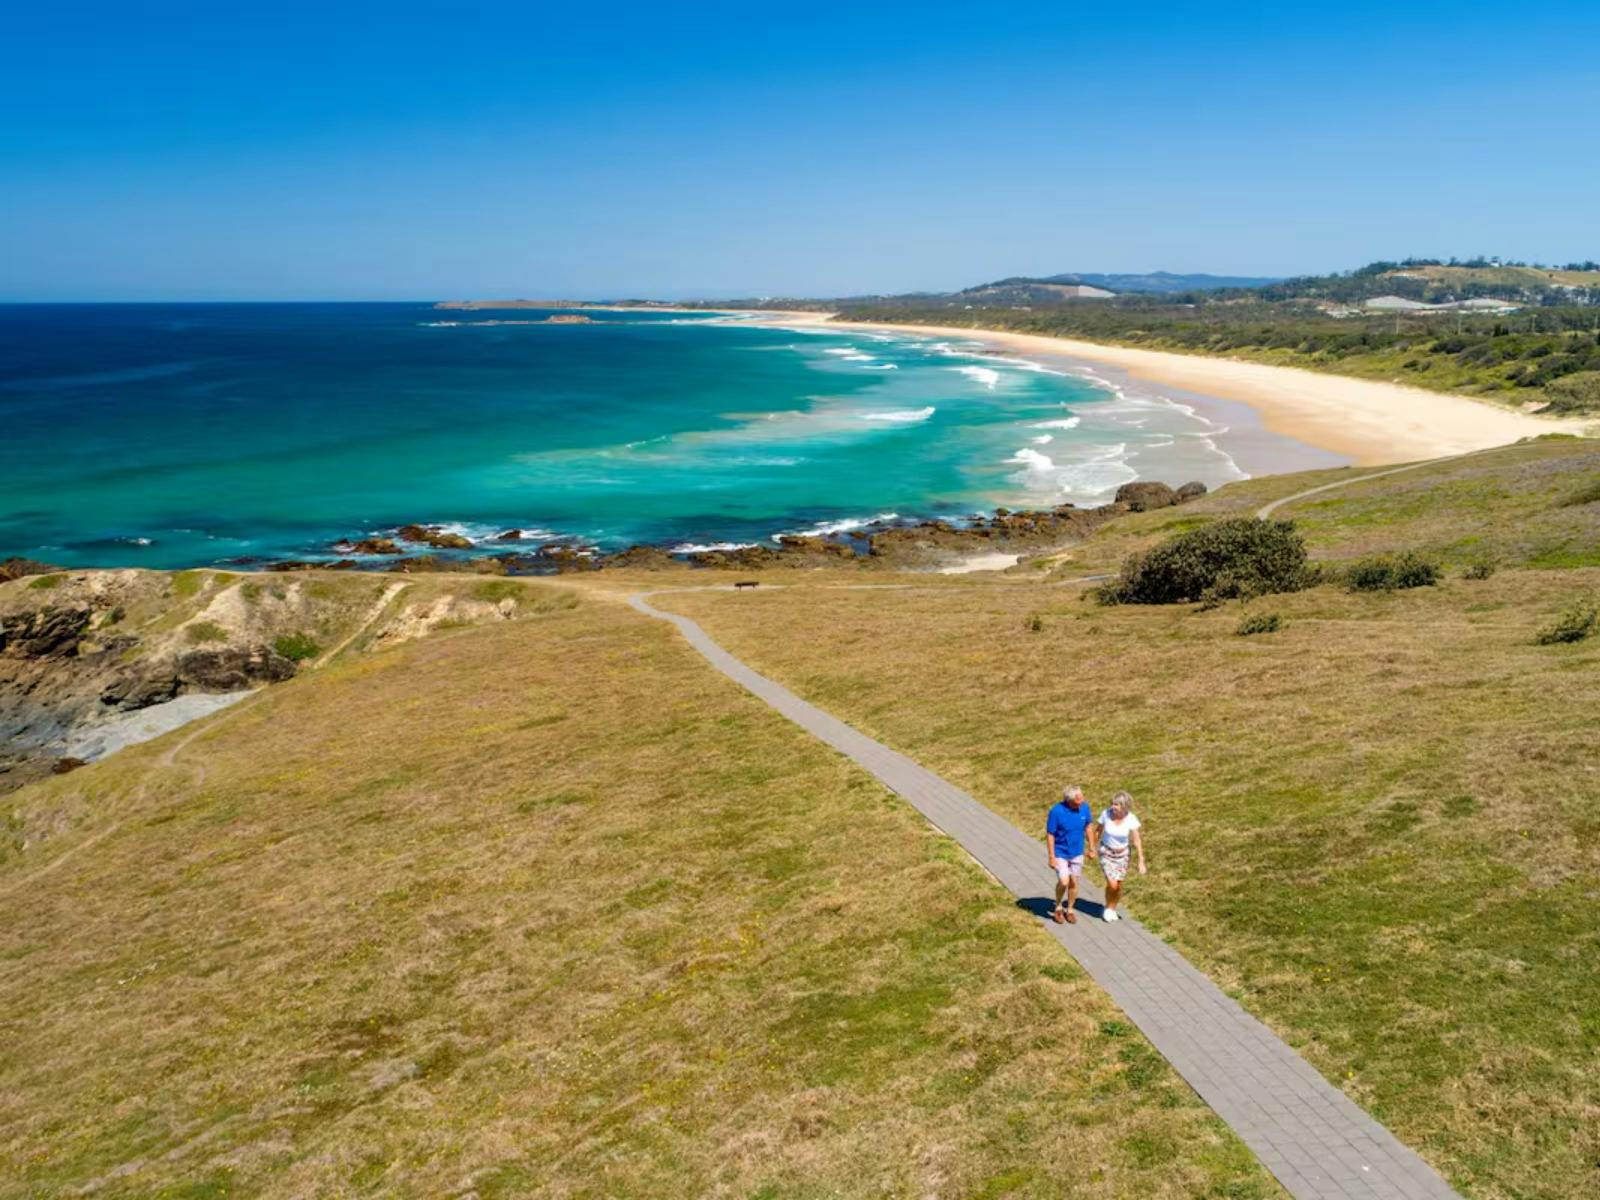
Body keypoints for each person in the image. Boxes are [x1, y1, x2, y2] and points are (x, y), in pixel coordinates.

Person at [1045, 785, 1094, 924]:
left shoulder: (1084, 807)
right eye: (1076, 802)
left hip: (1077, 852)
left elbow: (1089, 827)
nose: (1080, 804)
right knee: (1064, 881)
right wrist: (1051, 857)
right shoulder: (1056, 811)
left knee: (1074, 882)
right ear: (1068, 801)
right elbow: (1050, 834)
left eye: (1081, 800)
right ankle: (1058, 906)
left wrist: (1092, 847)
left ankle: (1070, 910)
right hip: (1060, 852)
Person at [1094, 791, 1146, 922]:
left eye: (1116, 804)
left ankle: (1112, 908)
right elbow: (1098, 830)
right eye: (1112, 804)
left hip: (1123, 855)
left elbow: (1137, 840)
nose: (1113, 807)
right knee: (1112, 884)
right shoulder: (1106, 814)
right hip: (1107, 852)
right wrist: (1092, 848)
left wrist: (1141, 860)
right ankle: (1107, 908)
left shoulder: (1131, 818)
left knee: (1118, 886)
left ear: (1124, 806)